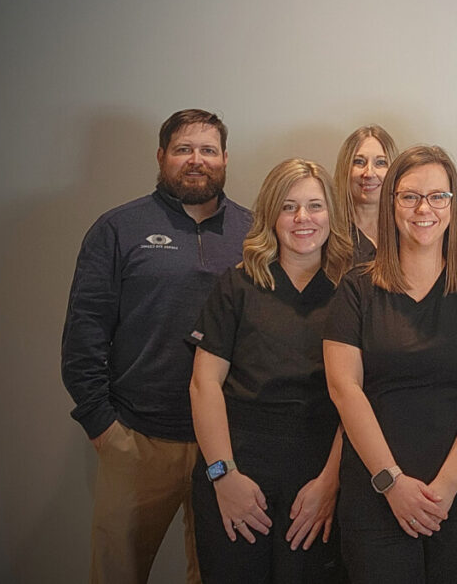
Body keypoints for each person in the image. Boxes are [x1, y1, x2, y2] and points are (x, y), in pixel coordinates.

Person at [61, 109, 252, 584]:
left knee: (217, 574)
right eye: (184, 149)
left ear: (225, 158)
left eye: (208, 150)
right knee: (117, 573)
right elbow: (84, 334)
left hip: (229, 444)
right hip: (138, 438)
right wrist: (102, 425)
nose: (196, 160)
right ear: (162, 156)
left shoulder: (254, 232)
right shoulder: (118, 228)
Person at [323, 145, 457, 583]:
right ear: (391, 203)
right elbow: (344, 389)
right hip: (377, 496)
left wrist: (444, 488)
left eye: (438, 196)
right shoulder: (356, 291)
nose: (423, 208)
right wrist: (391, 482)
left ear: (453, 206)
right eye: (409, 196)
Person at [187, 159, 354, 582]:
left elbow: (357, 399)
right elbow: (204, 384)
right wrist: (223, 476)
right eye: (289, 207)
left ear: (332, 215)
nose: (303, 219)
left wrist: (329, 484)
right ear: (269, 216)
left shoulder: (352, 294)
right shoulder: (237, 286)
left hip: (316, 476)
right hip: (238, 467)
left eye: (315, 206)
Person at [333, 124, 398, 262]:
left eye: (381, 163)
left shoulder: (405, 228)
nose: (369, 173)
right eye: (359, 162)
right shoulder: (329, 231)